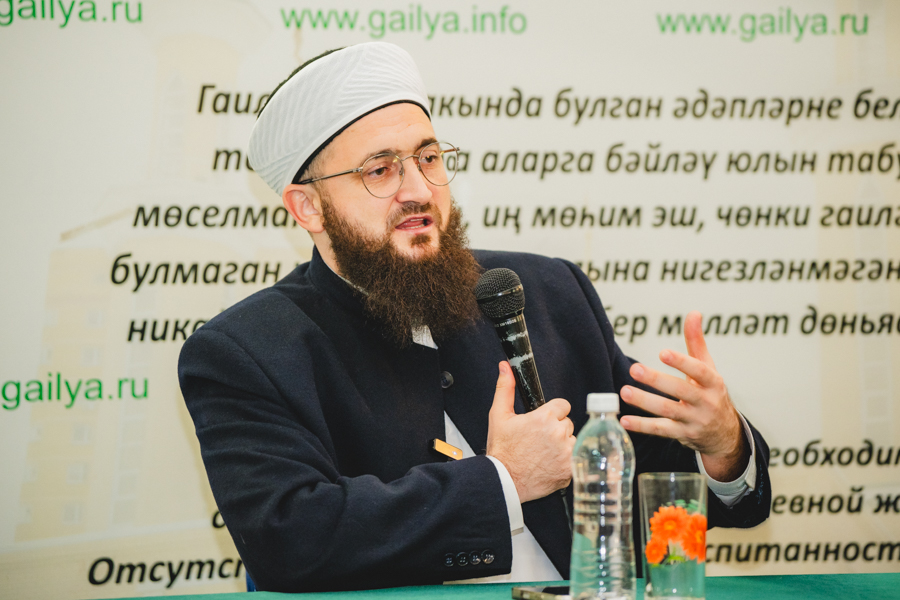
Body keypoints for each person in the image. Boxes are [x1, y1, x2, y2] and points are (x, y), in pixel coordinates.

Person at [178, 42, 770, 593]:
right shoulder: (246, 352)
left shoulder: (544, 291)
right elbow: (291, 539)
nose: (419, 189)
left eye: (428, 158)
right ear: (308, 206)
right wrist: (503, 481)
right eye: (380, 169)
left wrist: (722, 447)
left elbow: (651, 484)